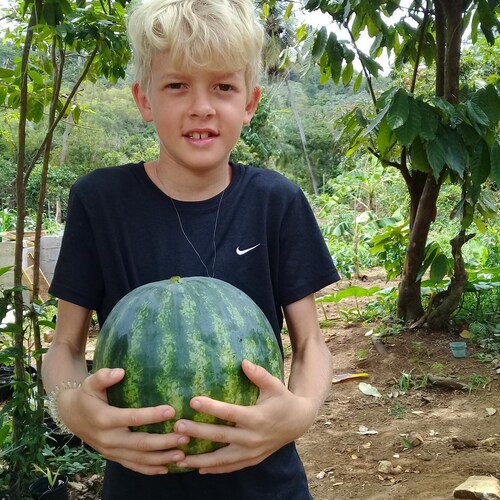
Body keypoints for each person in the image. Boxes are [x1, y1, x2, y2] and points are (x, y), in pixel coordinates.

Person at [42, 0, 340, 498]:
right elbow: (66, 348)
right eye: (177, 85)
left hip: (265, 482)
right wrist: (72, 407)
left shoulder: (277, 201)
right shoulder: (100, 202)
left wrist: (301, 411)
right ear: (144, 100)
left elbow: (311, 345)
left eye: (223, 86)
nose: (201, 106)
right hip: (140, 483)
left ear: (250, 103)